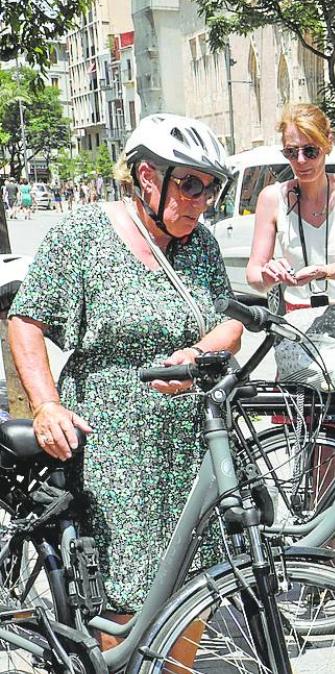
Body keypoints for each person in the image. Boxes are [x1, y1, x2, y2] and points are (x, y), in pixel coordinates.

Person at [7, 114, 241, 643]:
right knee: (118, 599)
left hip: (189, 443)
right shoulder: (82, 234)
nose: (202, 199)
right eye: (191, 184)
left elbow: (229, 321)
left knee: (192, 587)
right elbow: (27, 318)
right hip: (113, 447)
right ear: (146, 177)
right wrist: (45, 405)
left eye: (211, 186)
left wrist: (199, 352)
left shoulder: (200, 243)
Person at [245, 102, 335, 426]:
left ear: (327, 143)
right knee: (312, 436)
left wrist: (323, 271)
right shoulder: (273, 197)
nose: (300, 161)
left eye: (310, 151)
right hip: (303, 323)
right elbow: (254, 272)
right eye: (291, 152)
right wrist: (270, 274)